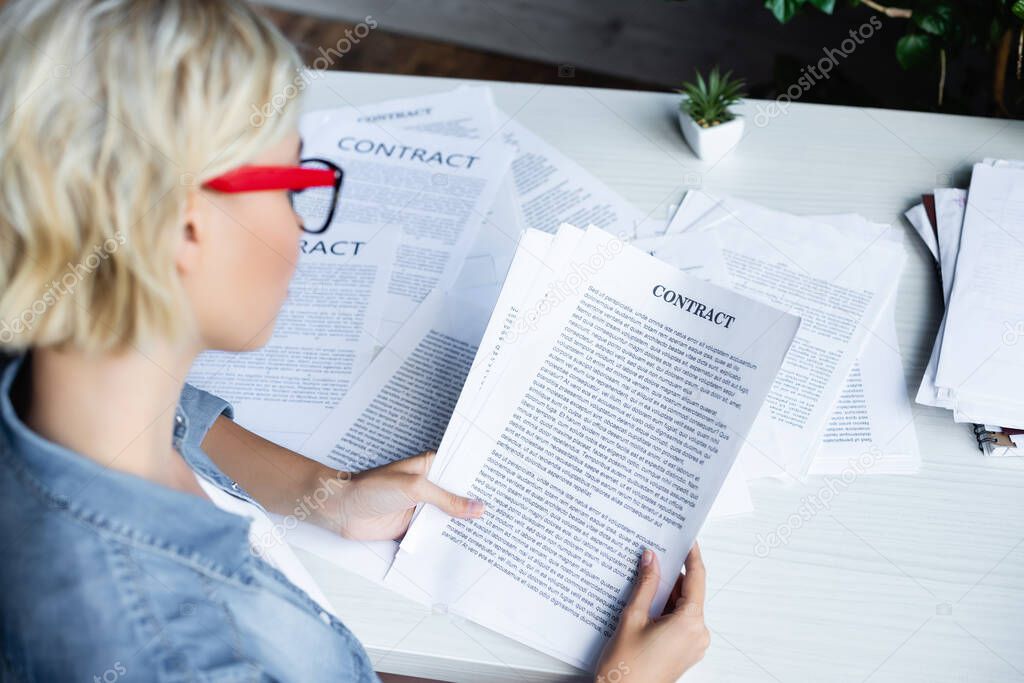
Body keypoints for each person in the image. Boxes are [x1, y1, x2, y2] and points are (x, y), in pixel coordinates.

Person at [0, 1, 709, 680]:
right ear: (186, 222)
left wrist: (323, 492)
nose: (304, 226)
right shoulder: (179, 652)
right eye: (293, 184)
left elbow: (159, 414)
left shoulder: (62, 385)